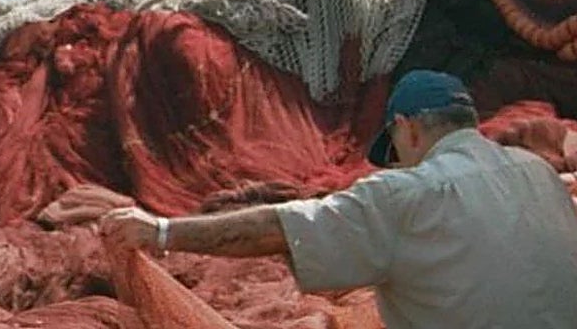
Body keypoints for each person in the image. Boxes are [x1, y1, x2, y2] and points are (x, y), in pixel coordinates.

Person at [100, 70, 577, 328]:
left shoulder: (403, 193)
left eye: (393, 151)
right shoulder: (538, 171)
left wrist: (162, 230)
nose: (396, 163)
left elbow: (281, 229)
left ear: (405, 129)